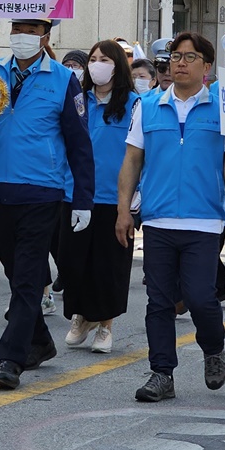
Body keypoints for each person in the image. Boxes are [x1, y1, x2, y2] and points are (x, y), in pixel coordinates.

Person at [116, 31, 225, 401]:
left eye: (190, 58)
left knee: (201, 297)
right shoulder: (147, 105)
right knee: (158, 301)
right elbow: (131, 160)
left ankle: (212, 349)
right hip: (158, 221)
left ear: (207, 67)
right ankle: (162, 374)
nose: (180, 63)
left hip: (204, 220)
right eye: (175, 57)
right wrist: (123, 210)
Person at [0, 18, 94, 391]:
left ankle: (9, 359)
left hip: (42, 191)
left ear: (45, 36)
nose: (21, 35)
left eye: (31, 29)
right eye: (17, 27)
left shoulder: (62, 79)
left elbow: (79, 143)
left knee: (27, 279)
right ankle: (40, 340)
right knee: (15, 275)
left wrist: (82, 199)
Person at [61, 40, 139, 354]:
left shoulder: (135, 104)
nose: (97, 64)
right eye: (93, 58)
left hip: (114, 198)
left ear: (118, 65)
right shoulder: (78, 101)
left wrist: (134, 202)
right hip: (76, 193)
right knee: (72, 260)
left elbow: (140, 155)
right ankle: (81, 315)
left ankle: (105, 325)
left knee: (109, 266)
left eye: (104, 59)